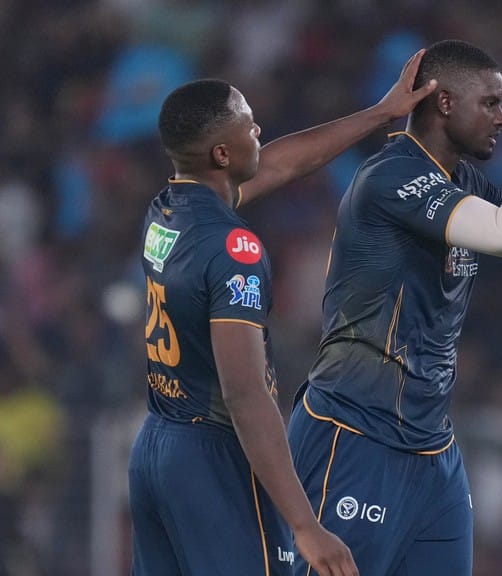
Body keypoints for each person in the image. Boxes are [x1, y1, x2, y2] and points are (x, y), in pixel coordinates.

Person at [286, 17, 502, 576]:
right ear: (444, 103)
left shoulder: (461, 184)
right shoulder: (390, 177)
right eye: (491, 103)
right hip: (353, 434)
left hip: (431, 452)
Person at [129, 50, 436, 576]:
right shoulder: (233, 249)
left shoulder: (166, 210)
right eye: (250, 126)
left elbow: (284, 161)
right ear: (222, 154)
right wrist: (304, 525)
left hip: (157, 446)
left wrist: (382, 113)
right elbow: (244, 393)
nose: (260, 132)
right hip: (213, 459)